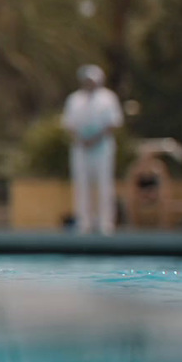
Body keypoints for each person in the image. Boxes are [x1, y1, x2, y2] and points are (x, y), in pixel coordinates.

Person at [62, 65, 123, 235]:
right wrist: (81, 140)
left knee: (104, 184)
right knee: (81, 185)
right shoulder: (74, 99)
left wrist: (95, 139)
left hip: (102, 148)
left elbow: (113, 123)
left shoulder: (108, 98)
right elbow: (69, 124)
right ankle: (84, 222)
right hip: (81, 148)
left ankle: (106, 223)